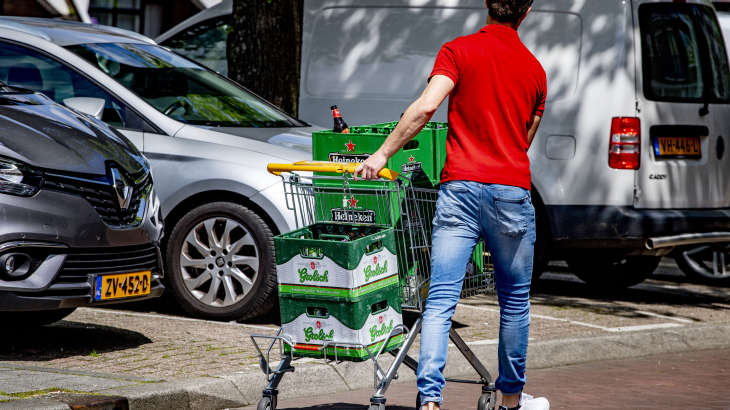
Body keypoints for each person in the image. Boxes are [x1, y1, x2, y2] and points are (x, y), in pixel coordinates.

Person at [354, 0, 548, 409]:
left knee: (441, 300)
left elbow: (426, 107)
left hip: (459, 188)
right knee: (514, 301)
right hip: (509, 191)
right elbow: (525, 137)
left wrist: (382, 154)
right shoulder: (535, 71)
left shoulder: (457, 51)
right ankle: (510, 401)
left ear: (487, 4)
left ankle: (430, 402)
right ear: (526, 12)